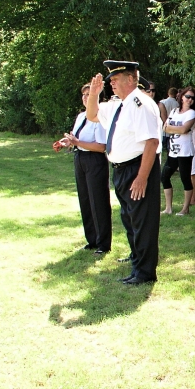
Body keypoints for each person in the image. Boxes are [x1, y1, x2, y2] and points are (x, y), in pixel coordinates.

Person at [85, 60, 161, 285]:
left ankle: (145, 273)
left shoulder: (141, 104)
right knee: (130, 220)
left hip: (137, 168)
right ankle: (137, 266)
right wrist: (94, 94)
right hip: (121, 170)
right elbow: (92, 115)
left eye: (116, 79)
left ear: (130, 79)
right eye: (110, 80)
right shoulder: (119, 105)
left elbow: (151, 142)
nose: (111, 83)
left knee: (142, 222)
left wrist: (141, 178)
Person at [55, 83, 112, 254]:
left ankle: (103, 244)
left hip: (94, 160)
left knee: (98, 201)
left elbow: (101, 146)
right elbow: (76, 138)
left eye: (89, 94)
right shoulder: (81, 116)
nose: (86, 98)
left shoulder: (100, 118)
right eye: (84, 95)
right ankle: (91, 240)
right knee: (85, 199)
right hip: (80, 158)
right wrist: (66, 142)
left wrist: (77, 142)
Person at [161, 87, 195, 216]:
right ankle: (168, 208)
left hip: (185, 151)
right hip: (173, 150)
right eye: (187, 96)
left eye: (192, 98)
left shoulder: (192, 113)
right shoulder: (174, 111)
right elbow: (164, 128)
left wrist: (172, 128)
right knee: (164, 177)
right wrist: (176, 128)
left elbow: (184, 129)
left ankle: (185, 208)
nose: (190, 99)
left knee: (185, 178)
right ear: (181, 97)